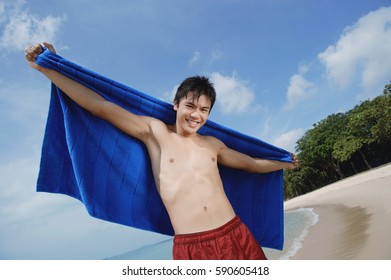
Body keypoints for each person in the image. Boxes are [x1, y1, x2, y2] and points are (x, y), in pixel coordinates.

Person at [25, 42, 298, 260]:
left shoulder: (212, 145)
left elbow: (251, 164)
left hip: (235, 233)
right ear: (176, 104)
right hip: (192, 247)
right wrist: (50, 69)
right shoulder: (155, 133)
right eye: (191, 106)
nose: (196, 115)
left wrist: (284, 164)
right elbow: (99, 106)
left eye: (204, 110)